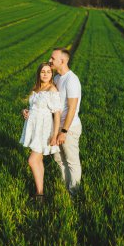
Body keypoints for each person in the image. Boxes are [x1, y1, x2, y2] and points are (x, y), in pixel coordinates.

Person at [20, 62, 61, 200]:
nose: (45, 74)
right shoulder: (36, 88)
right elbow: (33, 107)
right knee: (38, 161)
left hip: (44, 130)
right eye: (43, 71)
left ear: (52, 74)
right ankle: (40, 192)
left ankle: (40, 194)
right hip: (33, 128)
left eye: (48, 72)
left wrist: (55, 134)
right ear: (39, 74)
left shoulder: (52, 90)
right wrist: (25, 111)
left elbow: (57, 114)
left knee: (32, 161)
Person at [49, 47, 82, 195]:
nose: (50, 61)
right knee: (58, 159)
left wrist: (63, 131)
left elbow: (72, 108)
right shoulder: (57, 78)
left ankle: (74, 193)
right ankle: (65, 189)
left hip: (69, 128)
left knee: (71, 160)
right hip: (57, 126)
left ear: (62, 61)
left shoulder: (72, 80)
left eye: (52, 59)